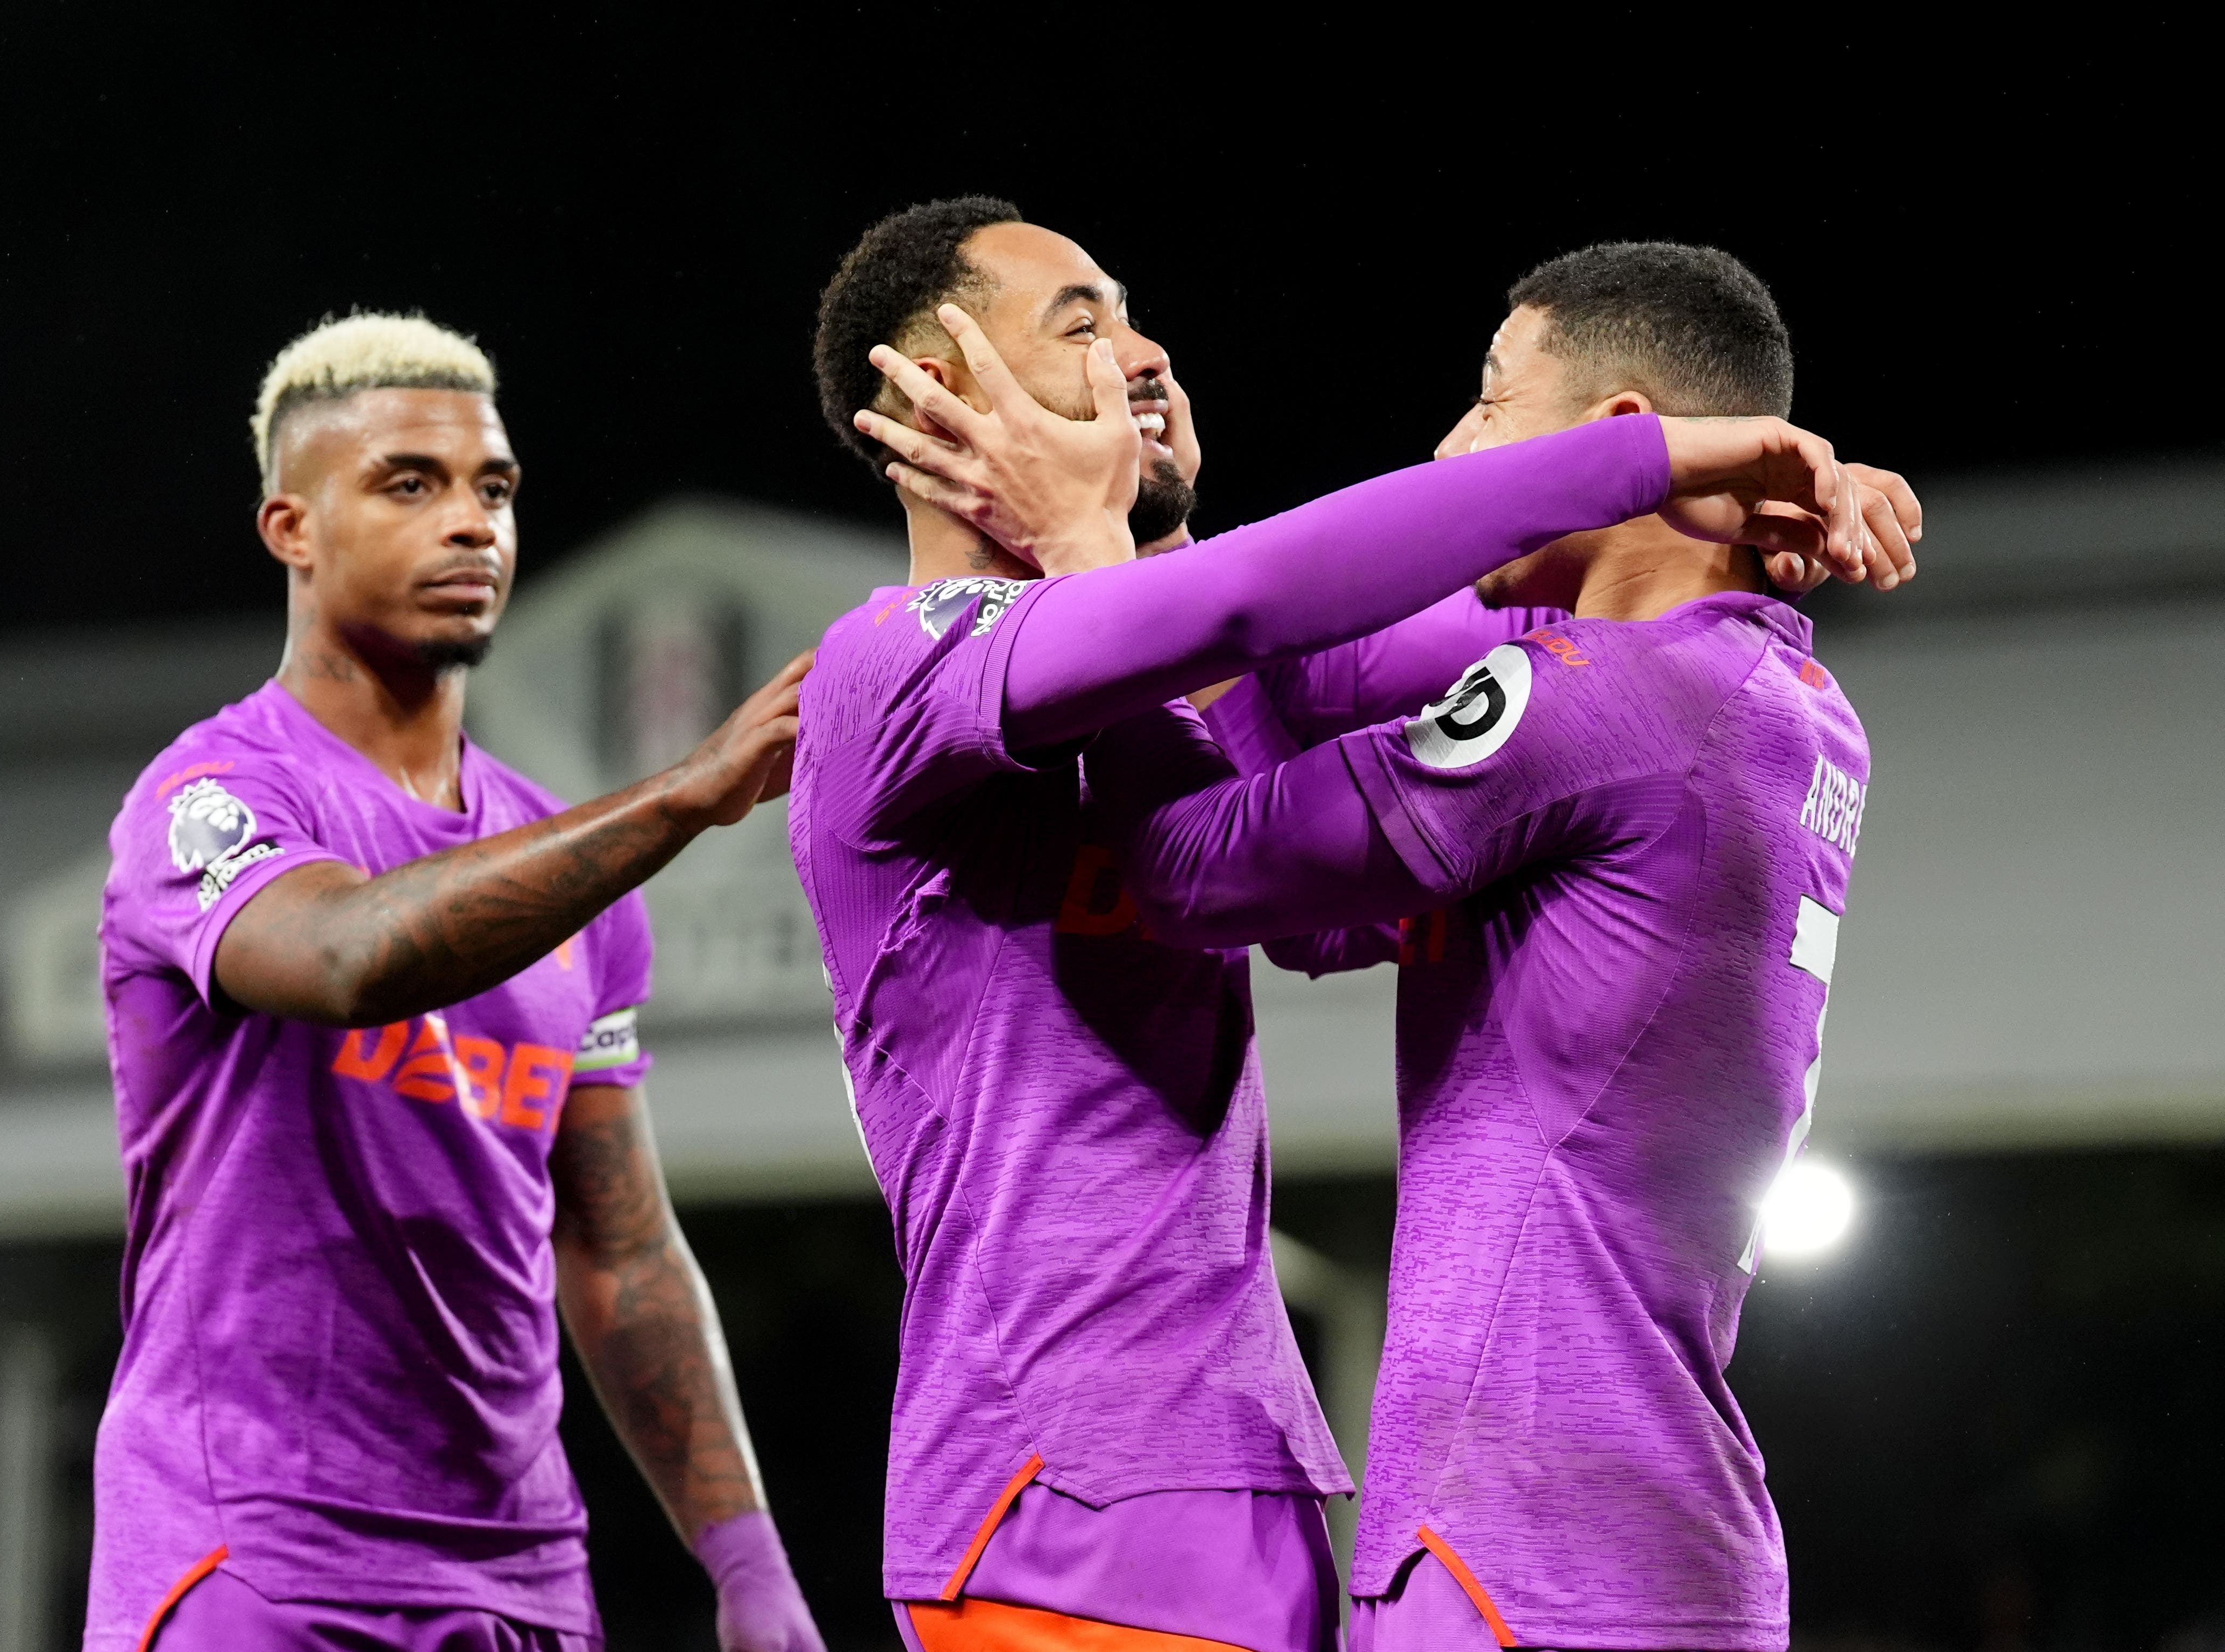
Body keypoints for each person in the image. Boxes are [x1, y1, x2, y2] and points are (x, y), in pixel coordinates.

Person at [799, 198, 1901, 1652]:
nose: (1145, 350)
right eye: (1083, 322)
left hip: (1293, 1506)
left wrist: (1719, 490)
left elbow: (1295, 683)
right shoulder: (893, 663)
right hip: (1051, 1505)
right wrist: (1664, 460)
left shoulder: (1613, 701)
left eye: (1133, 314)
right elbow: (1259, 624)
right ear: (937, 391)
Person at [87, 314, 822, 1652]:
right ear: (290, 529)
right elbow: (351, 956)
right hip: (254, 1553)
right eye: (409, 484)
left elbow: (618, 1248)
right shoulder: (208, 799)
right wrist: (679, 799)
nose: (473, 524)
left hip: (524, 1577)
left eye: (494, 489)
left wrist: (748, 1558)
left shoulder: (567, 867)